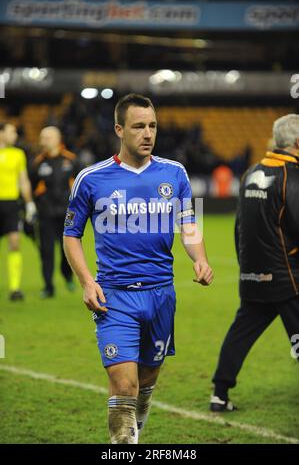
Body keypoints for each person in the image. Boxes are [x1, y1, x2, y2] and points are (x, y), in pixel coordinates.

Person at [63, 93, 213, 444]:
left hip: (161, 295)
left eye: (152, 126)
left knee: (145, 383)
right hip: (114, 297)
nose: (148, 133)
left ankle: (134, 436)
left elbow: (188, 225)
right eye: (139, 126)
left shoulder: (175, 173)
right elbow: (71, 235)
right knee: (124, 385)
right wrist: (87, 281)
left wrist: (200, 258)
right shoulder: (92, 178)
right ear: (119, 129)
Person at [211, 114, 299, 412]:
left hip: (253, 273)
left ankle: (219, 393)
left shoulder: (251, 172)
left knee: (241, 334)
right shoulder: (293, 175)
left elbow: (240, 227)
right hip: (288, 276)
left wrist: (246, 267)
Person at [30, 126, 77, 299]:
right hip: (46, 214)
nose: (44, 141)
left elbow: (81, 187)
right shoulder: (37, 163)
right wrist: (32, 206)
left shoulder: (71, 160)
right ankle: (48, 286)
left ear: (58, 139)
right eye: (42, 138)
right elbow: (31, 185)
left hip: (67, 215)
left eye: (47, 137)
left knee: (67, 250)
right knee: (46, 251)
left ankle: (68, 275)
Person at [0, 122, 36, 301]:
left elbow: (23, 180)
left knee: (15, 243)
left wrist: (29, 203)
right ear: (1, 133)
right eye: (11, 131)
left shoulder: (18, 154)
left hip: (11, 204)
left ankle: (15, 288)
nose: (15, 135)